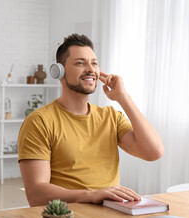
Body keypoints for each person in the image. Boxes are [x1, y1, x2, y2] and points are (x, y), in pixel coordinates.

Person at [18, 34, 164, 207]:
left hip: (111, 215)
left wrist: (123, 97)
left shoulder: (111, 117)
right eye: (80, 63)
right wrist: (93, 194)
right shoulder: (39, 121)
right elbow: (36, 194)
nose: (91, 69)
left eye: (94, 63)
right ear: (59, 71)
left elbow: (153, 152)